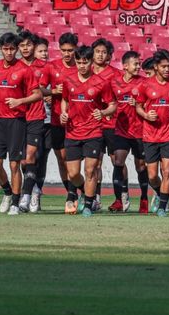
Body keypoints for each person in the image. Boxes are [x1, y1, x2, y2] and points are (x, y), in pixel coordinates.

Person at [0, 33, 42, 216]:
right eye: (5, 49)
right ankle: (7, 192)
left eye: (12, 49)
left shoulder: (25, 70)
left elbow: (37, 94)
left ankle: (16, 203)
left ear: (16, 49)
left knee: (15, 165)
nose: (9, 52)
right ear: (0, 49)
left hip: (17, 122)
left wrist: (20, 102)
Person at [60, 45, 117, 217]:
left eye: (85, 62)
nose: (82, 66)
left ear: (91, 62)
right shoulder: (68, 80)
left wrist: (103, 112)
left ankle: (88, 204)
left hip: (93, 132)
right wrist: (64, 113)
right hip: (72, 132)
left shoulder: (101, 82)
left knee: (91, 170)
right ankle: (85, 192)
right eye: (78, 62)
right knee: (73, 173)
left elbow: (113, 105)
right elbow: (64, 100)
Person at [135, 49, 169, 217]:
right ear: (156, 66)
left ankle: (163, 206)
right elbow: (138, 106)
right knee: (152, 175)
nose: (168, 70)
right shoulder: (145, 85)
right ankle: (159, 194)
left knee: (167, 171)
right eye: (164, 66)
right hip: (150, 135)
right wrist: (145, 114)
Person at [109, 51, 148, 213]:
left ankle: (144, 198)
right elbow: (108, 101)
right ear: (125, 66)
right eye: (135, 64)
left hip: (140, 131)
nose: (138, 67)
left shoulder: (144, 83)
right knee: (118, 161)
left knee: (140, 166)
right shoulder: (114, 83)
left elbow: (151, 104)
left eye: (139, 64)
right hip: (121, 130)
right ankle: (120, 199)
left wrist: (140, 104)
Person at [44, 32, 79, 208]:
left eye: (70, 50)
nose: (67, 54)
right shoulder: (51, 67)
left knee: (75, 160)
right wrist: (52, 92)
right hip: (57, 120)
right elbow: (39, 90)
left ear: (76, 49)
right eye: (64, 50)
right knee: (61, 158)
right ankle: (71, 192)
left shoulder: (81, 66)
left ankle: (74, 196)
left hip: (78, 122)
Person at [17, 30, 49, 213]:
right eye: (22, 45)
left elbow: (51, 88)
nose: (25, 48)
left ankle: (26, 196)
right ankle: (35, 187)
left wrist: (50, 93)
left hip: (36, 116)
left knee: (31, 157)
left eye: (28, 45)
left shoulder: (45, 67)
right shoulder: (14, 66)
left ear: (34, 46)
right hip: (18, 117)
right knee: (22, 161)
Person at [91, 38, 121, 211]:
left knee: (117, 161)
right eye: (97, 51)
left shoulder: (115, 74)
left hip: (112, 123)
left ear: (109, 55)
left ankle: (120, 197)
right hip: (93, 124)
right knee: (95, 162)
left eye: (104, 52)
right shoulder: (87, 71)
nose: (100, 55)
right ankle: (95, 197)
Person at [31, 36, 52, 212]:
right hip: (32, 120)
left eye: (46, 51)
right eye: (41, 51)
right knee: (32, 157)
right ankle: (29, 190)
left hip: (49, 121)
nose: (44, 54)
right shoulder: (29, 70)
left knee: (43, 157)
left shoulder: (52, 69)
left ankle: (37, 190)